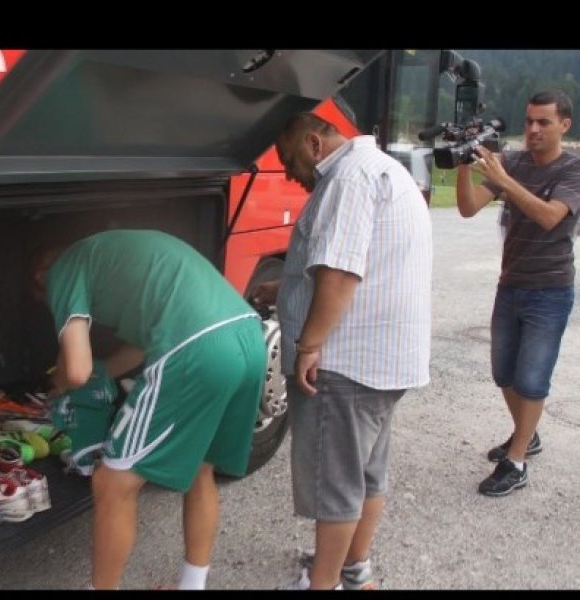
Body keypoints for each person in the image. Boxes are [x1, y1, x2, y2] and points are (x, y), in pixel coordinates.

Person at [29, 229, 266, 590]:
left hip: (196, 352)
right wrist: (101, 373)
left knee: (113, 482)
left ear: (40, 278)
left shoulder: (64, 268)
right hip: (249, 337)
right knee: (202, 469)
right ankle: (192, 585)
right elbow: (137, 352)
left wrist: (60, 385)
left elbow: (76, 369)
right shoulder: (115, 258)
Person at [253, 112, 432, 590]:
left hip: (348, 362)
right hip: (385, 359)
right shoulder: (384, 169)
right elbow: (363, 265)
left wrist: (309, 344)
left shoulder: (347, 179)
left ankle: (324, 583)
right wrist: (285, 287)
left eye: (290, 161)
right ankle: (354, 570)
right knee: (367, 475)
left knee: (336, 487)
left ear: (314, 143)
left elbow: (340, 273)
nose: (290, 174)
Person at [455, 90, 580, 497]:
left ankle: (518, 460)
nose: (532, 130)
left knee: (531, 378)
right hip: (511, 284)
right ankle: (529, 436)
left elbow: (549, 217)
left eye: (543, 122)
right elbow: (469, 207)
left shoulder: (573, 170)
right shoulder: (515, 161)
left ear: (565, 125)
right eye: (528, 121)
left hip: (551, 289)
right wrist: (462, 166)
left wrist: (506, 180)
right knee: (503, 372)